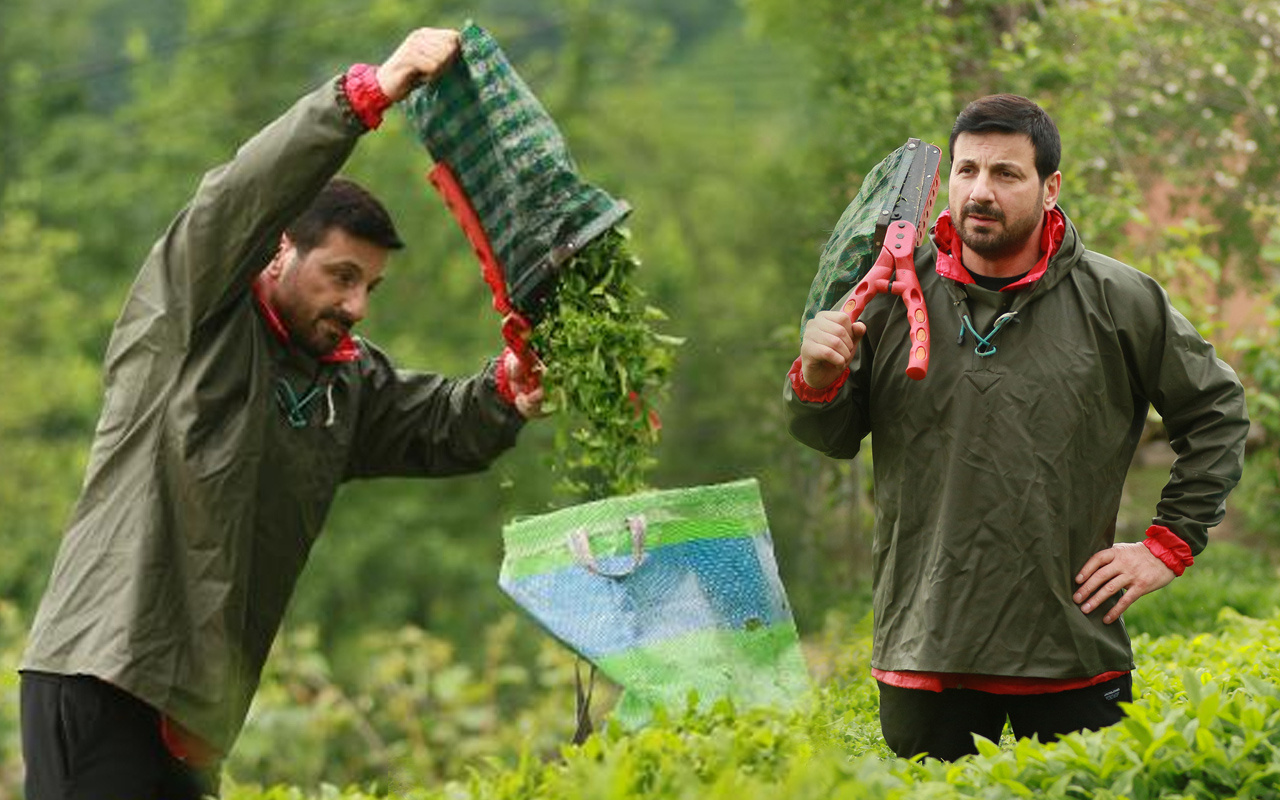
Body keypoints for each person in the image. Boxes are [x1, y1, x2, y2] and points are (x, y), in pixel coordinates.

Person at [19, 27, 543, 799]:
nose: (355, 304)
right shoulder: (191, 320)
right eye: (339, 276)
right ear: (275, 255)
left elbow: (438, 423)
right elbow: (233, 200)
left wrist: (509, 386)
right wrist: (363, 97)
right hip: (105, 677)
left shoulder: (341, 383)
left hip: (193, 714)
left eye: (368, 285)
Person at [785, 94, 1249, 761]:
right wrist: (817, 380)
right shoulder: (886, 297)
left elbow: (1218, 411)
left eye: (1006, 173)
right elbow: (826, 436)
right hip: (926, 648)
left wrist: (1167, 545)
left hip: (1071, 647)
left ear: (1050, 186)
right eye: (968, 170)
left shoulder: (1120, 300)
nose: (980, 190)